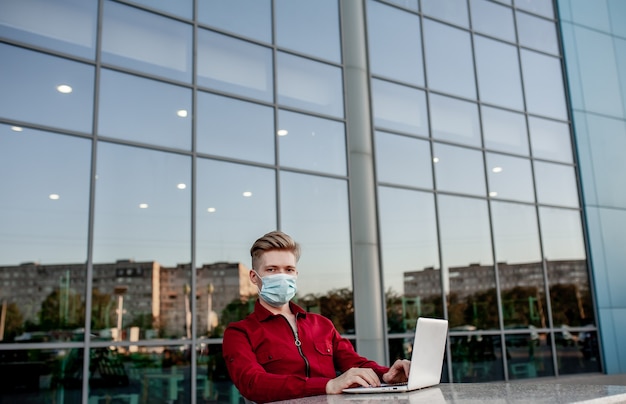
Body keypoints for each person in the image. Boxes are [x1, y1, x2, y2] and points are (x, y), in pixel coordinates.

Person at [222, 230, 411, 403]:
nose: (282, 276)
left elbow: (355, 362)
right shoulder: (239, 332)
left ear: (296, 274)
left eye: (288, 269)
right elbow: (253, 383)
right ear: (254, 277)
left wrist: (387, 374)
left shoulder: (322, 324)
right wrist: (327, 385)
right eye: (271, 269)